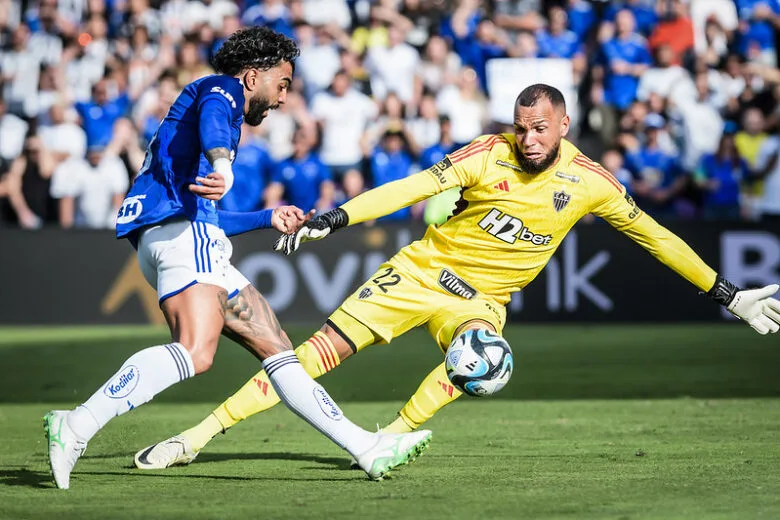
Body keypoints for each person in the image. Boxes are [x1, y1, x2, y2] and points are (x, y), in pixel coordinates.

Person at [135, 84, 780, 471]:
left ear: (564, 127)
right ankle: (193, 438)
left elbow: (655, 235)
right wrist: (338, 216)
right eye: (520, 126)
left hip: (482, 300)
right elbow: (413, 187)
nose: (527, 139)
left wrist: (725, 293)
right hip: (420, 271)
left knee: (483, 362)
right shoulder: (486, 153)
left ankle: (384, 441)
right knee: (308, 359)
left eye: (539, 129)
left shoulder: (589, 183)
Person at [43, 27, 431, 490]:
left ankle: (367, 448)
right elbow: (212, 120)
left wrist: (269, 216)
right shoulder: (220, 91)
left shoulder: (212, 115)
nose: (284, 98)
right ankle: (77, 425)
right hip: (182, 236)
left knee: (278, 348)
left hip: (186, 234)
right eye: (282, 84)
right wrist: (224, 163)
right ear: (252, 77)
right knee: (194, 350)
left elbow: (208, 213)